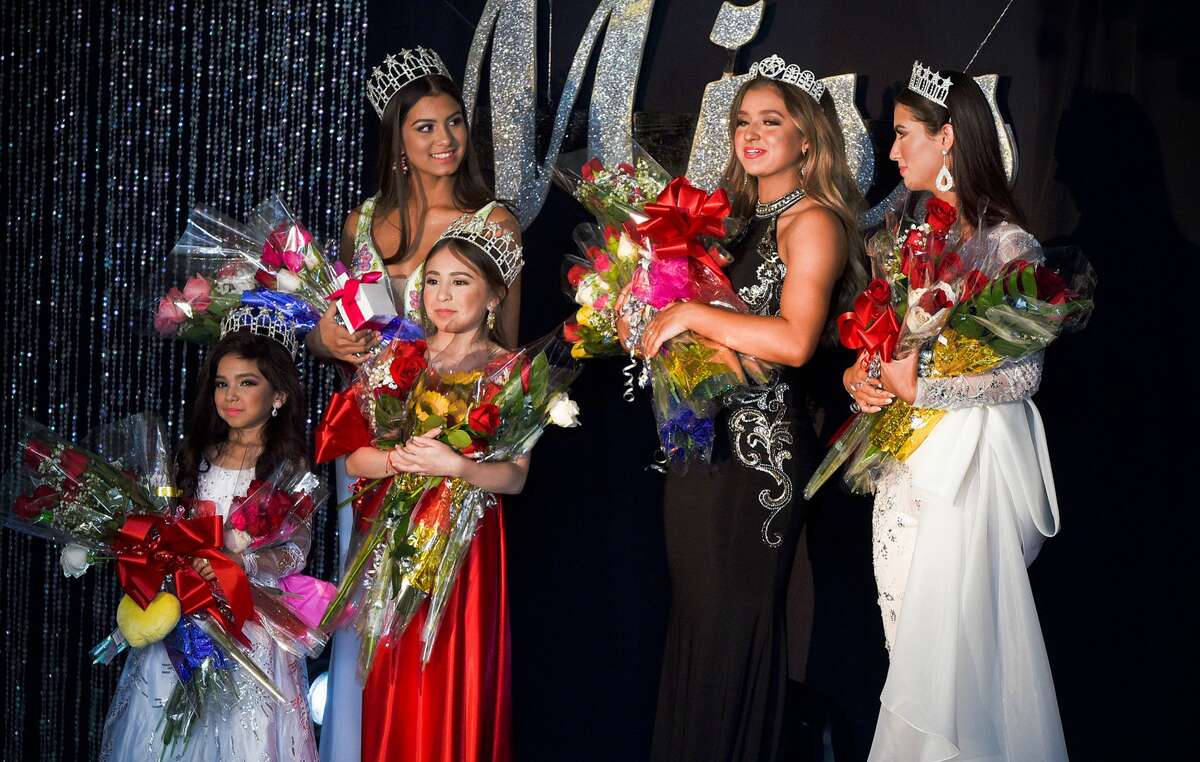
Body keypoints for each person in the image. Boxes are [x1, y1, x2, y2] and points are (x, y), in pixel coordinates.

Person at [635, 56, 866, 762]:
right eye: (743, 122)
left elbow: (794, 342)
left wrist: (687, 313)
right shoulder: (731, 223)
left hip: (760, 458)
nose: (752, 134)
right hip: (703, 446)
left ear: (807, 140)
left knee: (732, 628)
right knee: (696, 625)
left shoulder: (814, 221)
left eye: (773, 121)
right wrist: (642, 315)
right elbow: (706, 333)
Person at [846, 62, 1067, 761]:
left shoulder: (1009, 245)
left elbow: (1022, 375)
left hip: (963, 477)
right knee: (905, 639)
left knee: (954, 662)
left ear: (948, 139)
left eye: (905, 134)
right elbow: (890, 343)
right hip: (903, 472)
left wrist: (924, 385)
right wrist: (865, 373)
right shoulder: (910, 235)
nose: (892, 151)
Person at [311, 49, 520, 762]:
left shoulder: (494, 221)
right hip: (371, 447)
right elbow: (336, 326)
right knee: (371, 616)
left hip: (452, 446)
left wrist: (460, 436)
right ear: (397, 139)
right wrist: (326, 337)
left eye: (454, 123)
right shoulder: (364, 221)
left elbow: (507, 350)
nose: (444, 141)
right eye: (425, 127)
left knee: (443, 618)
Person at [101, 309, 318, 761]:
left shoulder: (289, 468)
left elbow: (296, 551)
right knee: (169, 733)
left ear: (278, 394)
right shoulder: (195, 454)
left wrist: (244, 562)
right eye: (222, 383)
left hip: (247, 622)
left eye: (246, 383)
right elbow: (169, 523)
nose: (231, 396)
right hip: (184, 610)